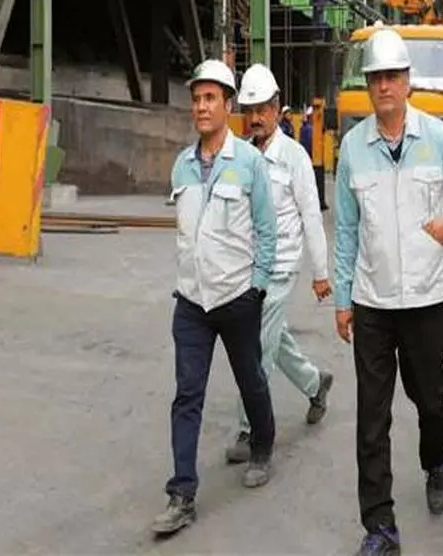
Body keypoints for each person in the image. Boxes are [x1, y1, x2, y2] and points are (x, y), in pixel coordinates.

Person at [333, 27, 443, 556]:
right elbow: (347, 229)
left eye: (392, 77)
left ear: (407, 83)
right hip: (372, 302)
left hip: (426, 299)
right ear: (368, 84)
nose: (384, 86)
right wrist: (342, 298)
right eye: (376, 78)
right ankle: (380, 525)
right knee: (371, 418)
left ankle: (435, 461)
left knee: (431, 401)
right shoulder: (354, 148)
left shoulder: (436, 138)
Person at [151, 59, 278, 538]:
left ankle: (262, 445)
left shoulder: (248, 163)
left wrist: (257, 286)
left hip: (236, 297)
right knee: (187, 394)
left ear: (228, 105)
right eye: (196, 99)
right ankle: (181, 494)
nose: (201, 107)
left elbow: (267, 231)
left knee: (251, 380)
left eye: (210, 98)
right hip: (191, 302)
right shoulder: (182, 165)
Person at [224, 64, 336, 463]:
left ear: (276, 108)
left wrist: (320, 273)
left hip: (282, 266)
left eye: (262, 109)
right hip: (247, 268)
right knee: (274, 338)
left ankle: (249, 428)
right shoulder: (239, 154)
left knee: (255, 346)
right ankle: (314, 383)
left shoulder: (294, 158)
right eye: (249, 110)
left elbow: (311, 215)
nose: (255, 117)